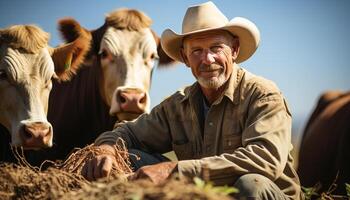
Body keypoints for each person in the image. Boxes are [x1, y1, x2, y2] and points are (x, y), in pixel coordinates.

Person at [82, 1, 301, 199]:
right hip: (207, 196)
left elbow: (265, 160)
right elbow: (127, 132)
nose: (207, 59)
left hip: (267, 195)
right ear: (185, 58)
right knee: (130, 157)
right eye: (197, 50)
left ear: (234, 49)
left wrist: (174, 171)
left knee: (251, 185)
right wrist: (107, 150)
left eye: (216, 48)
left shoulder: (262, 95)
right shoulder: (178, 105)